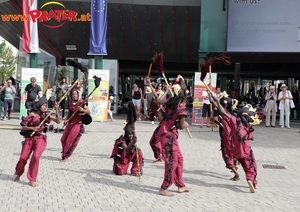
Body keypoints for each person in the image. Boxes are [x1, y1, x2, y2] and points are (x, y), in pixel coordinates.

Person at [210, 93, 260, 193]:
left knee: (243, 164)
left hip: (236, 151)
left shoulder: (234, 120)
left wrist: (214, 100)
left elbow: (223, 112)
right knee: (251, 165)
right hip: (245, 150)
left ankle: (245, 177)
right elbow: (252, 138)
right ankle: (252, 180)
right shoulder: (247, 126)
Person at [14, 95, 60, 187]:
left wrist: (57, 110)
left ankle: (32, 178)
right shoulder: (31, 115)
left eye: (46, 106)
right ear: (39, 105)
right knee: (23, 157)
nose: (45, 107)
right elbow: (23, 126)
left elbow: (58, 121)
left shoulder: (46, 115)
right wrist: (32, 128)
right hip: (30, 138)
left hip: (40, 139)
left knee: (35, 157)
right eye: (43, 105)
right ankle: (18, 173)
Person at [156, 75, 191, 197]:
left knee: (180, 159)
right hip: (168, 136)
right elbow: (181, 125)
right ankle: (164, 187)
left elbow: (159, 101)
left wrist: (167, 89)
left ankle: (180, 185)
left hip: (168, 135)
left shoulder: (171, 102)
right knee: (172, 161)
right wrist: (186, 124)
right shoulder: (181, 108)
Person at [209, 91, 240, 181]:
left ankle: (236, 174)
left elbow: (215, 103)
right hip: (230, 136)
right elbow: (223, 124)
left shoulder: (224, 112)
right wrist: (215, 122)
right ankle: (235, 164)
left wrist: (214, 99)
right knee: (231, 152)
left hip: (226, 137)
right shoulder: (229, 112)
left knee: (226, 155)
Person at [60, 88, 91, 162]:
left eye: (76, 94)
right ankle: (67, 151)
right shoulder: (70, 102)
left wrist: (82, 110)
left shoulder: (81, 102)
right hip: (70, 123)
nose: (74, 96)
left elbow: (88, 112)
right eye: (73, 94)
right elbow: (69, 113)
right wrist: (66, 120)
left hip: (77, 124)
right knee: (63, 139)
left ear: (78, 95)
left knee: (69, 141)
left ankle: (65, 156)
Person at [145, 76, 164, 163]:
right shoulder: (154, 106)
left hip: (164, 127)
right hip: (162, 126)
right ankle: (161, 157)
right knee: (157, 142)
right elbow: (151, 117)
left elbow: (156, 96)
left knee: (154, 142)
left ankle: (160, 158)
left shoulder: (160, 105)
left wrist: (150, 85)